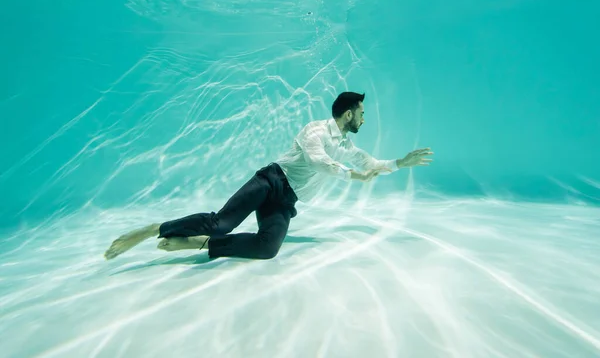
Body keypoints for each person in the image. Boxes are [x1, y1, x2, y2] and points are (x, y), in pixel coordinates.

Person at [104, 92, 433, 261]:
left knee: (268, 248)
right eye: (362, 113)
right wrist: (353, 177)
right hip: (270, 182)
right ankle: (153, 229)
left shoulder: (345, 141)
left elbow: (367, 159)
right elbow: (319, 162)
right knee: (222, 222)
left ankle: (202, 244)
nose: (364, 118)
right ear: (349, 113)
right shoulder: (315, 131)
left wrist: (399, 163)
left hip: (286, 200)